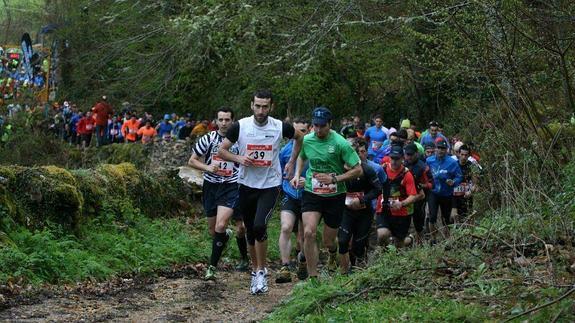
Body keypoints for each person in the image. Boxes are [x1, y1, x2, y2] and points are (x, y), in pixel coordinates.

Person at [218, 89, 304, 295]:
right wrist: (239, 159)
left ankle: (262, 271)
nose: (261, 110)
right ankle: (255, 271)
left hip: (270, 184)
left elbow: (300, 138)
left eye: (265, 106)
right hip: (246, 184)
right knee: (249, 229)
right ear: (251, 106)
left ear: (271, 107)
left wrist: (291, 162)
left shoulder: (279, 126)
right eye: (257, 106)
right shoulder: (240, 126)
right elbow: (222, 150)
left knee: (259, 226)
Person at [291, 107, 362, 281]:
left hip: (334, 196)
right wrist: (297, 174)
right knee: (308, 232)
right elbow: (301, 156)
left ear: (330, 124)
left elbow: (358, 170)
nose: (318, 129)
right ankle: (313, 277)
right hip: (312, 192)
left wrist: (335, 179)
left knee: (328, 241)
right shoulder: (307, 140)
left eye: (322, 126)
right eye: (315, 125)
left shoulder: (340, 143)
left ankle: (331, 252)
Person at [189, 107, 249, 281]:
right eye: (220, 120)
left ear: (233, 121)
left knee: (221, 225)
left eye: (227, 120)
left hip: (231, 185)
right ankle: (225, 238)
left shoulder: (240, 140)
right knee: (213, 229)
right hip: (211, 186)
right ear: (216, 121)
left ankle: (212, 267)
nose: (224, 123)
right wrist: (207, 167)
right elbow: (192, 160)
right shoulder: (208, 139)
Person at [338, 140, 382, 274]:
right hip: (345, 211)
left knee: (359, 245)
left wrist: (362, 199)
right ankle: (344, 271)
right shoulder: (338, 168)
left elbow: (378, 189)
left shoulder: (367, 169)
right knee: (343, 240)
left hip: (364, 212)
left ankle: (358, 268)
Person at [276, 117, 310, 283]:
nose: (297, 135)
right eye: (294, 132)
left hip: (309, 196)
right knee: (286, 227)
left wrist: (308, 181)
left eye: (301, 131)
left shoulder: (314, 149)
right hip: (290, 194)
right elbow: (281, 173)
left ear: (308, 131)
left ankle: (303, 260)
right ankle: (285, 266)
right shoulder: (284, 151)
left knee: (303, 236)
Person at [376, 145, 418, 247]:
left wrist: (401, 203)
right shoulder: (383, 170)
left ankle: (409, 240)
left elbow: (413, 196)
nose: (394, 161)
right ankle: (384, 256)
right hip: (384, 209)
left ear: (402, 159)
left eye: (397, 159)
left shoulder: (407, 174)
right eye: (392, 158)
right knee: (382, 234)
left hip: (401, 213)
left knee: (399, 244)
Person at [426, 138, 463, 242]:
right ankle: (433, 239)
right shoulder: (429, 160)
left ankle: (447, 240)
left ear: (447, 150)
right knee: (432, 216)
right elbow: (424, 174)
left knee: (446, 219)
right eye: (439, 148)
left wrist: (454, 182)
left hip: (446, 194)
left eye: (443, 148)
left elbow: (459, 176)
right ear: (435, 149)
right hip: (433, 193)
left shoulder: (452, 162)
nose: (440, 150)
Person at [403, 143, 432, 243]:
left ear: (416, 154)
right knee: (404, 222)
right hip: (405, 198)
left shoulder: (423, 167)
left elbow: (431, 184)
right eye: (407, 154)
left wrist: (422, 185)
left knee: (418, 221)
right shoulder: (403, 165)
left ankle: (420, 242)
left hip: (419, 198)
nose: (409, 157)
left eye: (411, 154)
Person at [452, 144, 479, 223]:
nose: (463, 157)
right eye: (462, 154)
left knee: (467, 219)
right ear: (458, 154)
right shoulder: (453, 165)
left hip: (467, 197)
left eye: (466, 155)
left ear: (468, 156)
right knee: (455, 220)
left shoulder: (472, 166)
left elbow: (475, 185)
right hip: (455, 197)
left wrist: (470, 192)